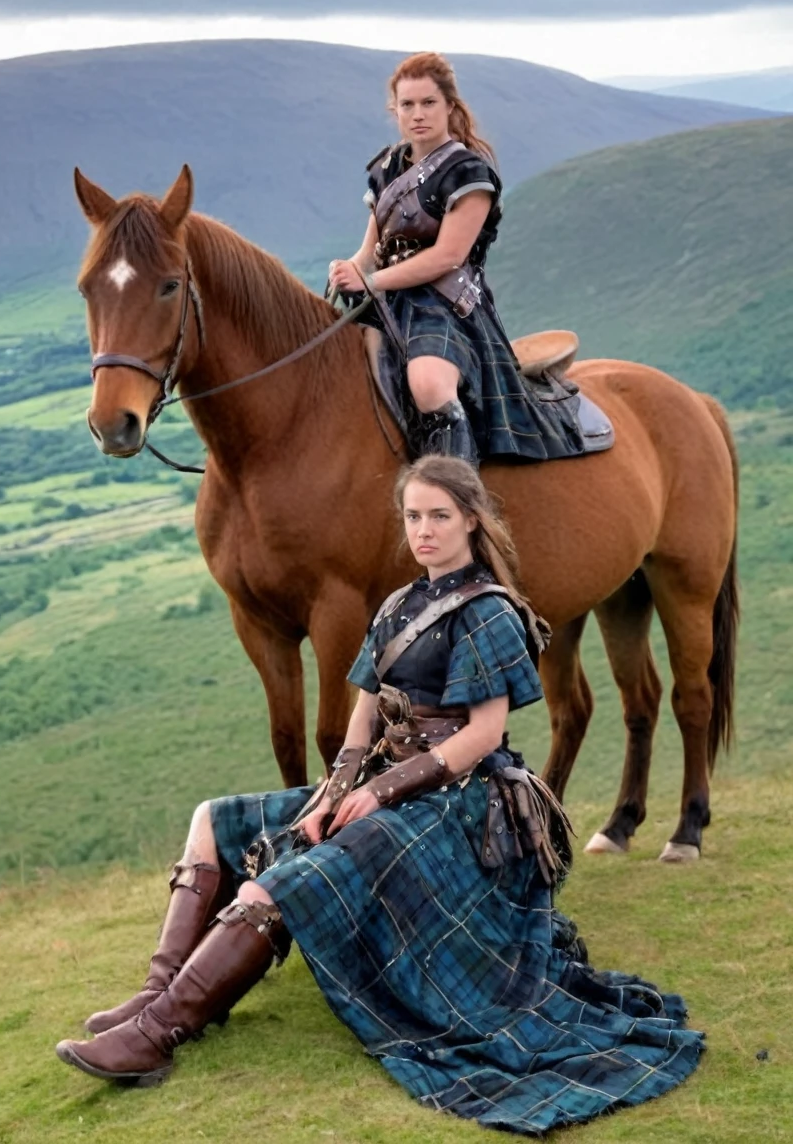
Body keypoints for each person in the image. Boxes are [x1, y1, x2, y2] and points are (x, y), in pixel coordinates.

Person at [56, 456, 703, 1135]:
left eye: (439, 517)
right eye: (413, 517)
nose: (423, 531)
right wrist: (330, 797)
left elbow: (482, 735)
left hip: (461, 806)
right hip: (385, 790)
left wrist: (382, 793)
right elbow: (361, 723)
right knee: (213, 822)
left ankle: (158, 1036)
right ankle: (157, 993)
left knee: (279, 886)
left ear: (472, 521)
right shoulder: (398, 605)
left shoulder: (489, 612)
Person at [328, 52, 586, 468]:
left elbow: (448, 256)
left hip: (446, 308)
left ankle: (457, 499)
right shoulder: (387, 168)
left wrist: (372, 282)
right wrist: (351, 268)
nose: (417, 115)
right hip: (386, 304)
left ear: (450, 105)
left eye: (428, 103)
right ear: (395, 110)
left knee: (429, 386)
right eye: (407, 105)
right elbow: (370, 250)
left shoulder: (468, 173)